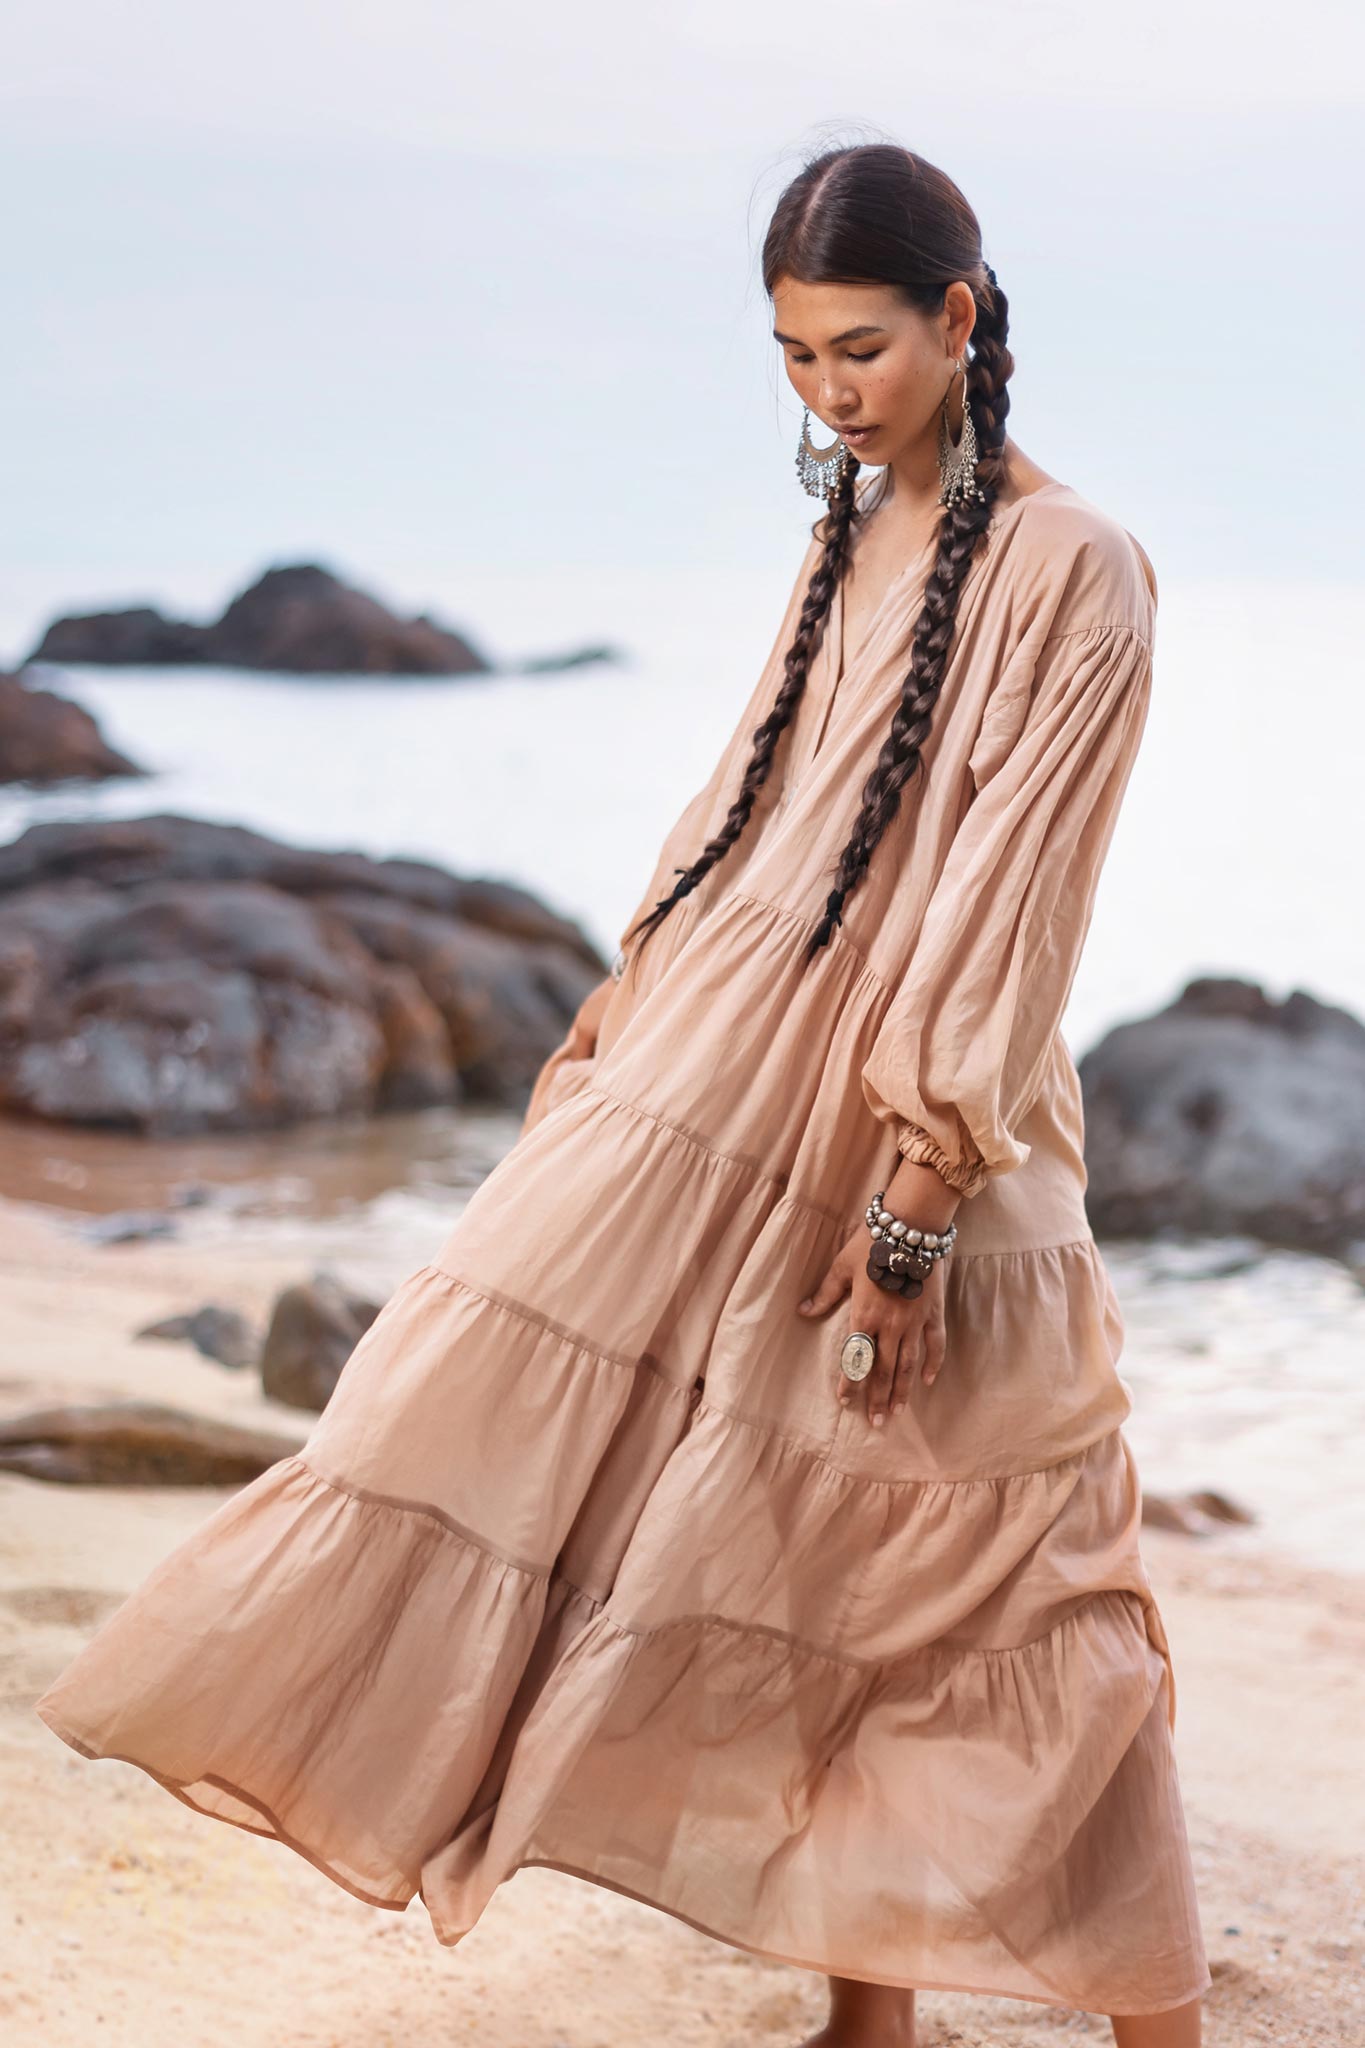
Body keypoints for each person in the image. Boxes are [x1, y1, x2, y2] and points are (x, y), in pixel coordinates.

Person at [34, 142, 1211, 2046]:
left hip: (933, 1111)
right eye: (793, 357)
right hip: (721, 1074)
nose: (829, 394)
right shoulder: (849, 532)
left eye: (861, 350)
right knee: (728, 1506)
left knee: (1008, 1553)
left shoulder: (1079, 568)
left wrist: (914, 1201)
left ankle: (1150, 2014)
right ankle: (869, 2011)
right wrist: (620, 1002)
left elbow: (1018, 896)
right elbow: (743, 800)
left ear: (962, 321)